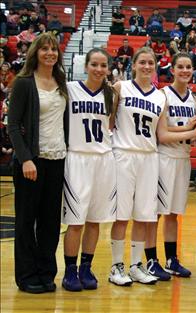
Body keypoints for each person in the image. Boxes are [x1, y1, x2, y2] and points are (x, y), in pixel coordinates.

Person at [109, 48, 196, 286]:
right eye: (143, 62)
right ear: (135, 65)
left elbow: (161, 132)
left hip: (152, 156)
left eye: (151, 63)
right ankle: (119, 266)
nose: (147, 66)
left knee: (145, 214)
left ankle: (138, 265)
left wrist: (192, 130)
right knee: (123, 215)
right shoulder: (121, 88)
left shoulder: (163, 97)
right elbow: (109, 121)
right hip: (129, 155)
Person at [8, 33, 69, 294]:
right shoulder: (23, 83)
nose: (49, 53)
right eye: (44, 49)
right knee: (25, 221)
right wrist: (25, 159)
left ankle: (46, 272)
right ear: (36, 52)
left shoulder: (62, 81)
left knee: (50, 222)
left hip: (57, 160)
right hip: (31, 162)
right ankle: (26, 275)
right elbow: (12, 126)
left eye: (53, 49)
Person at [61, 48, 116, 291]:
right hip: (77, 159)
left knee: (95, 220)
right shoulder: (70, 89)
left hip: (103, 159)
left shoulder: (111, 95)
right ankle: (69, 270)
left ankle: (86, 266)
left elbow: (111, 125)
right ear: (86, 66)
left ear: (108, 69)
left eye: (103, 65)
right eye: (94, 64)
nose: (98, 69)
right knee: (75, 221)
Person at [145, 53, 196, 280]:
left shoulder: (194, 100)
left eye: (188, 67)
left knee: (173, 214)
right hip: (165, 158)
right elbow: (163, 134)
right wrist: (190, 130)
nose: (185, 71)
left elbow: (194, 132)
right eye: (181, 67)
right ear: (173, 70)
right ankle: (151, 260)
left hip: (183, 158)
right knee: (156, 213)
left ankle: (171, 260)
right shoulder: (163, 95)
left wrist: (195, 137)